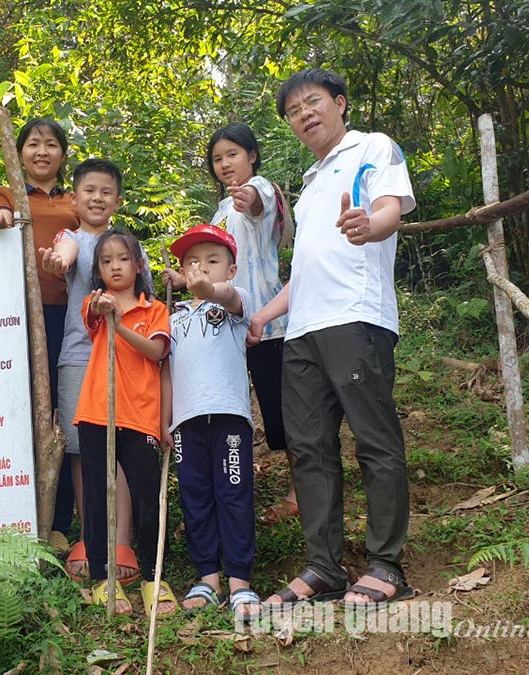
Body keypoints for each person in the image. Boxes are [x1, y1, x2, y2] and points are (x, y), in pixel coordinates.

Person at [251, 68, 416, 608]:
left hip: (356, 318)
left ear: (340, 103)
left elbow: (389, 206)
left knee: (374, 440)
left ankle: (386, 565)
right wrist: (263, 317)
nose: (305, 113)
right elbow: (306, 272)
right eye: (294, 110)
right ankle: (323, 566)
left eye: (313, 101)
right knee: (308, 447)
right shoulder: (309, 183)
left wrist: (373, 224)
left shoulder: (372, 146)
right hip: (302, 331)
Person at [162, 122, 296, 524]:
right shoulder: (219, 212)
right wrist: (185, 280)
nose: (225, 164)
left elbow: (256, 204)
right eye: (217, 159)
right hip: (227, 333)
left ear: (252, 155)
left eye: (232, 154)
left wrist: (249, 196)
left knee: (282, 413)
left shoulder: (262, 189)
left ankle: (298, 492)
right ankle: (233, 489)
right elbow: (214, 273)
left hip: (267, 325)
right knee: (236, 409)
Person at [39, 159, 144, 585]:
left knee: (120, 445)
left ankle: (122, 541)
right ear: (74, 198)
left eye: (105, 192)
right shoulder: (71, 237)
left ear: (117, 201)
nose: (97, 198)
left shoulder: (130, 246)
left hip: (126, 355)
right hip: (79, 357)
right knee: (82, 450)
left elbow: (148, 298)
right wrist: (54, 263)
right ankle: (90, 538)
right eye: (88, 191)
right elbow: (63, 256)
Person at [0, 118, 80, 552]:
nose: (42, 151)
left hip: (65, 317)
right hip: (15, 315)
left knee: (58, 414)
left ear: (61, 154)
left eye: (51, 144)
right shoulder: (6, 196)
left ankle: (58, 521)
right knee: (15, 411)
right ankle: (14, 515)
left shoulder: (76, 200)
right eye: (33, 144)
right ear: (18, 153)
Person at [74, 229, 176, 618]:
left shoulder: (155, 311)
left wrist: (120, 326)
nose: (114, 266)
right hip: (98, 411)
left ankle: (154, 578)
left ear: (138, 265)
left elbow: (155, 351)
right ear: (98, 270)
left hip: (142, 414)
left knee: (148, 497)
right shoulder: (94, 303)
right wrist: (106, 314)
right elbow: (94, 314)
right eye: (106, 261)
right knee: (99, 496)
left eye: (122, 259)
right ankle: (103, 578)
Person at [163, 224, 260, 623]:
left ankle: (240, 580)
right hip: (186, 421)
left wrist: (206, 289)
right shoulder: (173, 317)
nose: (201, 268)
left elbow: (226, 296)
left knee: (233, 493)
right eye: (192, 262)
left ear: (231, 269)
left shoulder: (235, 304)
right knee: (195, 495)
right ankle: (208, 577)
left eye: (212, 261)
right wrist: (165, 421)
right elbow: (166, 371)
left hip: (228, 416)